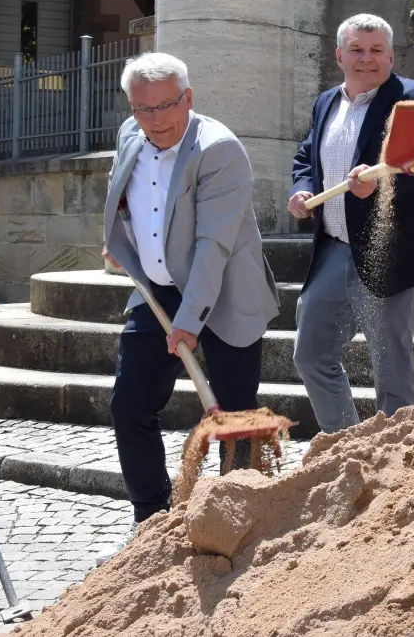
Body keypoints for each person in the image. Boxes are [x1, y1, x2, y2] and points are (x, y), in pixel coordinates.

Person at [102, 52, 280, 526]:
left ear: (189, 98)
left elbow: (212, 246)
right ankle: (151, 518)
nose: (156, 119)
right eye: (144, 108)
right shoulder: (130, 134)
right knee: (130, 404)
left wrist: (189, 320)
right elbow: (126, 198)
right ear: (131, 107)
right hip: (157, 290)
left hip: (225, 290)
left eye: (166, 105)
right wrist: (121, 242)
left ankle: (235, 520)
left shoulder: (219, 150)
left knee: (235, 417)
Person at [288, 13, 414, 432]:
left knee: (391, 368)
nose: (367, 58)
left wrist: (380, 185)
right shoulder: (326, 102)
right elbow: (306, 156)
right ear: (339, 56)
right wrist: (302, 189)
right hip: (333, 247)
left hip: (388, 250)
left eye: (377, 50)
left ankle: (399, 457)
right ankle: (344, 444)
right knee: (311, 355)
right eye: (357, 50)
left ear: (391, 56)